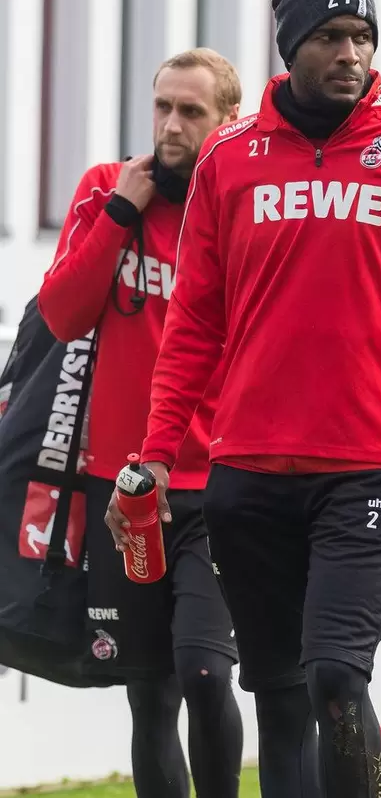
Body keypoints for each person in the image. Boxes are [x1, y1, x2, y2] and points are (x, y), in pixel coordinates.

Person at [138, 0, 381, 798]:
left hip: (374, 469)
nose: (351, 54)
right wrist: (158, 452)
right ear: (290, 49)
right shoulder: (229, 161)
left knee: (336, 678)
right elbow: (194, 321)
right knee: (278, 697)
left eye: (362, 38)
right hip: (247, 473)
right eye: (329, 39)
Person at [38, 48, 243, 798]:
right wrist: (120, 214)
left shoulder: (237, 205)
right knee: (147, 687)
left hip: (216, 482)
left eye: (191, 112)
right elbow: (61, 315)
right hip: (122, 489)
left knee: (205, 672)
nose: (171, 126)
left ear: (228, 122)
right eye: (162, 107)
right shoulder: (106, 189)